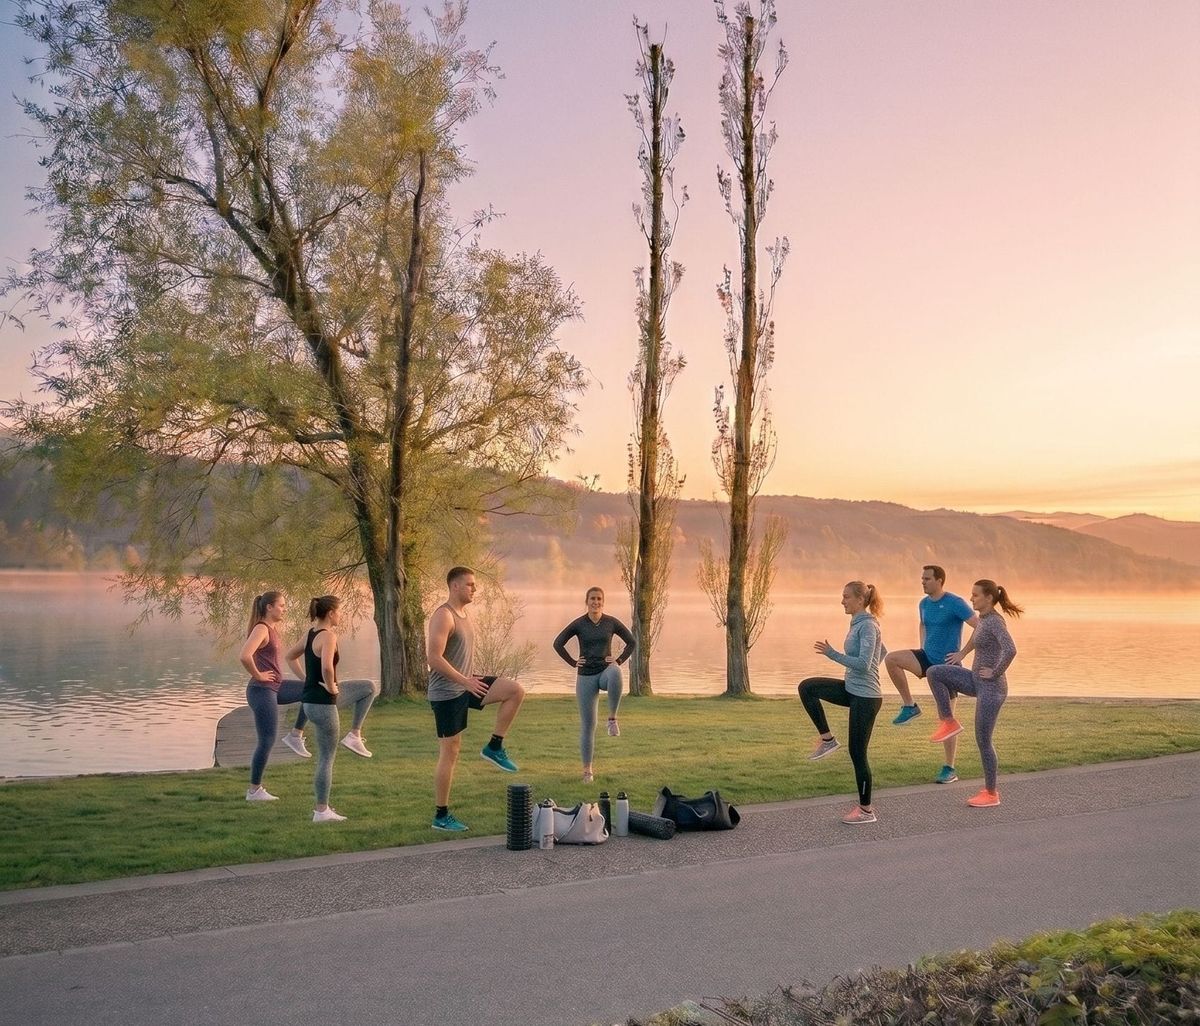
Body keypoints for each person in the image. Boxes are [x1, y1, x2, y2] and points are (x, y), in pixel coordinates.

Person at [426, 566, 527, 832]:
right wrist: (465, 681)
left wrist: (468, 680)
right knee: (450, 752)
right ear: (455, 586)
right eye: (470, 584)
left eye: (474, 584)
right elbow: (433, 658)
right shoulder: (444, 615)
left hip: (466, 684)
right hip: (447, 693)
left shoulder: (464, 614)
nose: (475, 588)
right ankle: (441, 816)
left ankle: (494, 746)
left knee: (514, 691)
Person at [283, 594, 379, 822]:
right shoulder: (328, 636)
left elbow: (289, 656)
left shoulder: (310, 633)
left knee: (368, 687)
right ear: (331, 613)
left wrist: (307, 680)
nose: (341, 615)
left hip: (310, 702)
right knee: (326, 758)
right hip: (323, 703)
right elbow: (327, 667)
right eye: (340, 611)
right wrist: (330, 686)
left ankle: (353, 735)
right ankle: (321, 811)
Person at [926, 580, 1022, 808]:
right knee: (935, 672)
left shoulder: (995, 621)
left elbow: (1010, 649)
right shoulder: (984, 620)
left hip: (992, 687)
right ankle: (948, 721)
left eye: (975, 595)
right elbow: (976, 636)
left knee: (983, 740)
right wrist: (962, 653)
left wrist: (995, 672)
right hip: (976, 680)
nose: (971, 599)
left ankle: (991, 793)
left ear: (988, 598)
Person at [798, 581, 887, 825]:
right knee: (807, 687)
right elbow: (883, 652)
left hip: (866, 698)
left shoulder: (868, 626)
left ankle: (866, 811)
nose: (842, 601)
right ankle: (827, 740)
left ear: (860, 599)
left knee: (858, 753)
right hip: (852, 690)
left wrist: (832, 654)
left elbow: (864, 664)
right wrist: (864, 673)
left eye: (846, 597)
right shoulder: (859, 623)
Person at [883, 564, 979, 785]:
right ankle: (910, 706)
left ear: (939, 581)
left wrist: (962, 653)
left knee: (947, 720)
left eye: (927, 579)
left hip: (947, 666)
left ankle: (949, 768)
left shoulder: (955, 602)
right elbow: (923, 624)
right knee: (892, 659)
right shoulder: (923, 604)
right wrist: (923, 645)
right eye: (922, 579)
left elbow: (979, 626)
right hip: (926, 657)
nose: (923, 582)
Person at [552, 586, 636, 783]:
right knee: (588, 726)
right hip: (586, 677)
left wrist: (619, 660)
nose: (596, 602)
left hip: (605, 673)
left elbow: (631, 642)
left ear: (603, 602)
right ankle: (587, 771)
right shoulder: (579, 624)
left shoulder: (611, 622)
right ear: (587, 601)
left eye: (599, 599)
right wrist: (573, 662)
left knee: (616, 671)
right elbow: (558, 643)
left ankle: (612, 719)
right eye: (592, 599)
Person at [239, 591, 312, 802]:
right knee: (267, 739)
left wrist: (306, 678)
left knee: (312, 690)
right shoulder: (261, 628)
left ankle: (295, 735)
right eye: (281, 605)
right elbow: (244, 655)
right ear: (269, 607)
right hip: (261, 690)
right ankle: (254, 790)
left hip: (275, 687)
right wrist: (258, 675)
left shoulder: (271, 629)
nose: (284, 609)